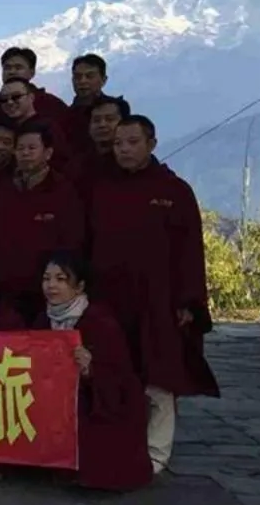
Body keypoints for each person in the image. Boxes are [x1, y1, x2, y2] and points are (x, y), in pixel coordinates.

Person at [89, 114, 218, 473]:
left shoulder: (174, 191)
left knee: (160, 377)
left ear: (151, 144)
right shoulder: (102, 187)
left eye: (132, 142)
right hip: (110, 298)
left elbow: (190, 252)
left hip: (160, 299)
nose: (124, 149)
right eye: (118, 143)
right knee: (115, 371)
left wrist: (189, 302)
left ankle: (156, 454)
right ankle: (119, 446)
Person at [36, 252, 153, 491]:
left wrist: (91, 367)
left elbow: (121, 376)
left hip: (100, 400)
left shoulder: (99, 321)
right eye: (47, 278)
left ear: (79, 286)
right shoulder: (42, 319)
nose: (51, 286)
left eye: (60, 279)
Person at [0, 121, 85, 321]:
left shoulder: (63, 191)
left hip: (46, 291)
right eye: (20, 148)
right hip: (5, 289)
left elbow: (73, 240)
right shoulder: (3, 189)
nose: (25, 153)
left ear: (48, 153)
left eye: (32, 148)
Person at [65, 94, 129, 200]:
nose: (102, 125)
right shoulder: (75, 167)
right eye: (96, 120)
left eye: (109, 119)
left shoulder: (136, 163)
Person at [0, 46, 69, 122]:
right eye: (7, 68)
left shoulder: (51, 104)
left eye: (18, 68)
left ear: (32, 72)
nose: (11, 72)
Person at [64, 53, 108, 156]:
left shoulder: (116, 111)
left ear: (104, 80)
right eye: (77, 77)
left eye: (89, 76)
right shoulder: (65, 116)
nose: (82, 81)